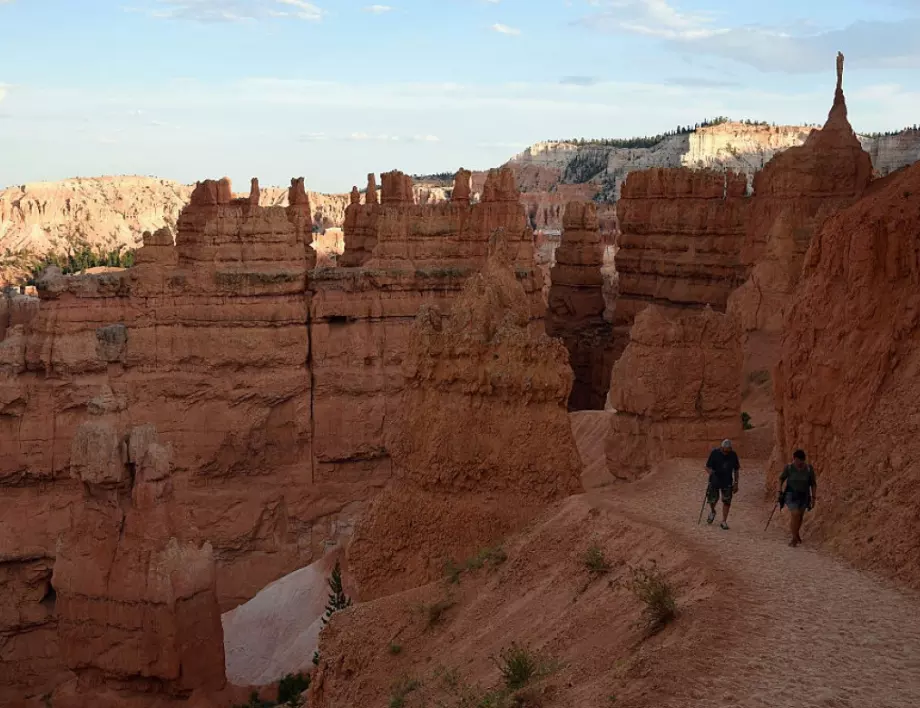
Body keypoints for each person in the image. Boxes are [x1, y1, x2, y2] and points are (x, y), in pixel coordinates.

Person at [780, 449, 817, 547]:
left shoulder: (809, 469)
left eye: (801, 461)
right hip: (791, 495)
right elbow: (781, 479)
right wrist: (779, 491)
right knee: (795, 514)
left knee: (800, 516)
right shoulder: (789, 468)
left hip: (804, 495)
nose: (799, 463)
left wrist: (813, 498)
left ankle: (796, 533)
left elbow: (813, 484)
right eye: (797, 460)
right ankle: (794, 538)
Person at [704, 439, 740, 530]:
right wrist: (711, 473)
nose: (726, 453)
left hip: (727, 481)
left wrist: (736, 483)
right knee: (712, 500)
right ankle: (712, 511)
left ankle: (724, 521)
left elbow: (736, 470)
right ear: (721, 448)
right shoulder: (714, 453)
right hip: (715, 480)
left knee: (727, 501)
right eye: (725, 451)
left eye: (728, 451)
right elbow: (707, 467)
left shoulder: (733, 455)